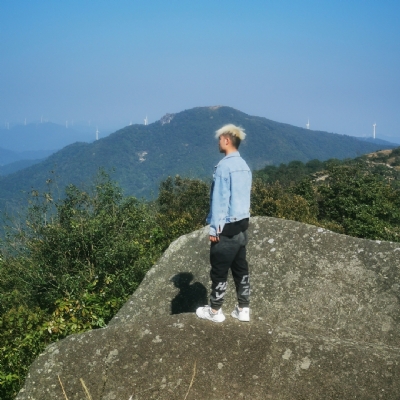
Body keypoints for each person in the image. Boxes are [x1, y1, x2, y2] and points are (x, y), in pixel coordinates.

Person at [196, 124, 252, 323]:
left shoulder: (224, 167)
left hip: (226, 228)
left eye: (220, 139)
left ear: (227, 140)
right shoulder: (244, 165)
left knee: (219, 270)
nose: (218, 142)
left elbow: (220, 200)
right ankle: (243, 309)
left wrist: (215, 228)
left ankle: (215, 311)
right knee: (240, 269)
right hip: (242, 226)